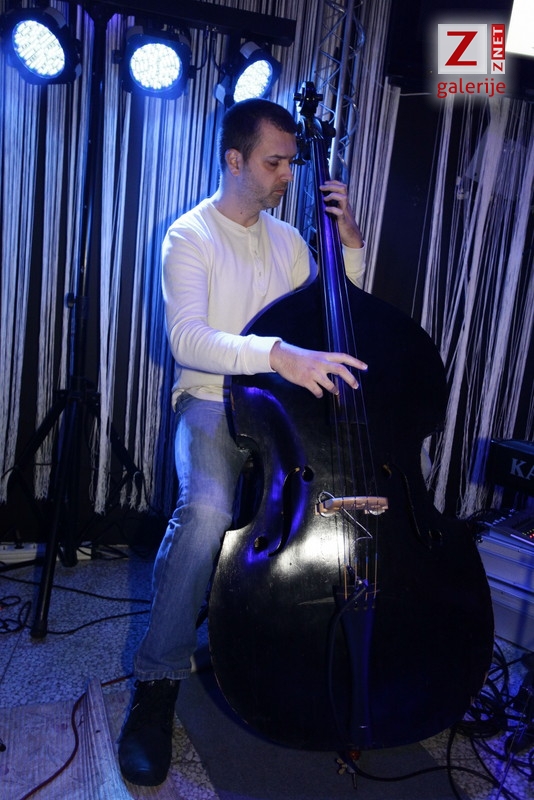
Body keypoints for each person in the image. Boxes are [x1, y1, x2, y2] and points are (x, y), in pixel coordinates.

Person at [118, 98, 367, 786]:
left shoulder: (288, 241)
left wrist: (348, 243)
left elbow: (338, 315)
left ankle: (304, 655)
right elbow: (188, 340)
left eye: (291, 161)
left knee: (331, 504)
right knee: (204, 511)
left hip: (278, 408)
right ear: (235, 160)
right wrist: (277, 353)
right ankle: (156, 684)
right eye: (275, 162)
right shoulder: (189, 236)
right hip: (208, 401)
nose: (289, 174)